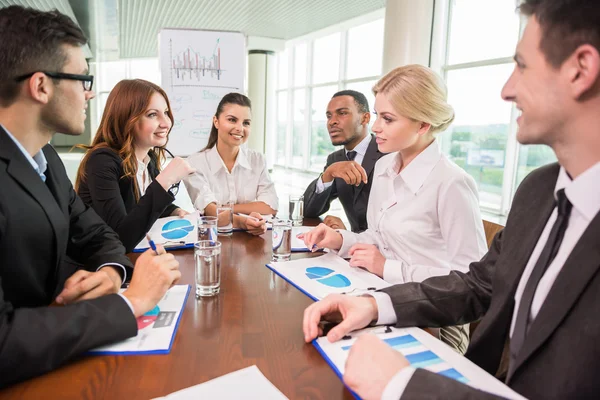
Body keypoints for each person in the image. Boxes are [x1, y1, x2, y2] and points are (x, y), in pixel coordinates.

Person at [302, 0, 600, 398]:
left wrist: (404, 386)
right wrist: (375, 305)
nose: (507, 89)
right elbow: (477, 284)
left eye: (523, 66)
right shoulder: (538, 191)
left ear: (581, 69)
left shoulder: (453, 183)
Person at [0, 5, 181, 387]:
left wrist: (111, 270)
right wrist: (129, 303)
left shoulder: (43, 156)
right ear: (41, 85)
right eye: (83, 78)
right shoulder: (98, 159)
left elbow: (98, 234)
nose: (90, 92)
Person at [302, 65, 487, 353]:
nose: (375, 127)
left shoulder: (452, 183)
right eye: (377, 115)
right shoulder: (386, 165)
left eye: (387, 119)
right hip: (382, 295)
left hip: (438, 322)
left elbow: (469, 283)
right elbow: (378, 237)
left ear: (423, 124)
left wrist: (386, 267)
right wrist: (342, 240)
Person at [75, 79, 195, 253]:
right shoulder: (102, 161)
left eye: (166, 113)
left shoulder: (149, 158)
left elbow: (143, 207)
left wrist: (175, 211)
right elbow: (121, 238)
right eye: (153, 114)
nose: (166, 123)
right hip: (102, 268)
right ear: (126, 118)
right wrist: (165, 180)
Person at [183, 92, 278, 235]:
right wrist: (243, 217)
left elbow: (270, 206)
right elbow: (211, 211)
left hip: (251, 240)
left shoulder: (257, 160)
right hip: (213, 241)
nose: (240, 128)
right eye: (232, 120)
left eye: (246, 123)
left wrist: (227, 208)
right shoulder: (195, 163)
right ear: (216, 122)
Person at [303, 90, 386, 232]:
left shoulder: (387, 154)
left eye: (342, 113)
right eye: (329, 116)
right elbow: (308, 211)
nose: (332, 121)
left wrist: (349, 235)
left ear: (365, 118)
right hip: (352, 249)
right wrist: (328, 174)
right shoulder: (335, 160)